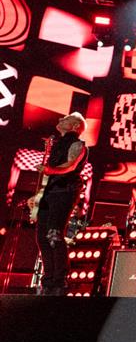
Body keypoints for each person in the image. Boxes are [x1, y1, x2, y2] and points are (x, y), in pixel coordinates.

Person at [29, 114, 88, 296]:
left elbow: (70, 166)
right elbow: (49, 176)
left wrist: (49, 170)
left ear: (76, 125)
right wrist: (38, 195)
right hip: (51, 191)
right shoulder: (56, 144)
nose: (61, 119)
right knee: (42, 237)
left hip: (66, 190)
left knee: (54, 234)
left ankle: (59, 280)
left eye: (67, 118)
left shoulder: (78, 145)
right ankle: (48, 279)